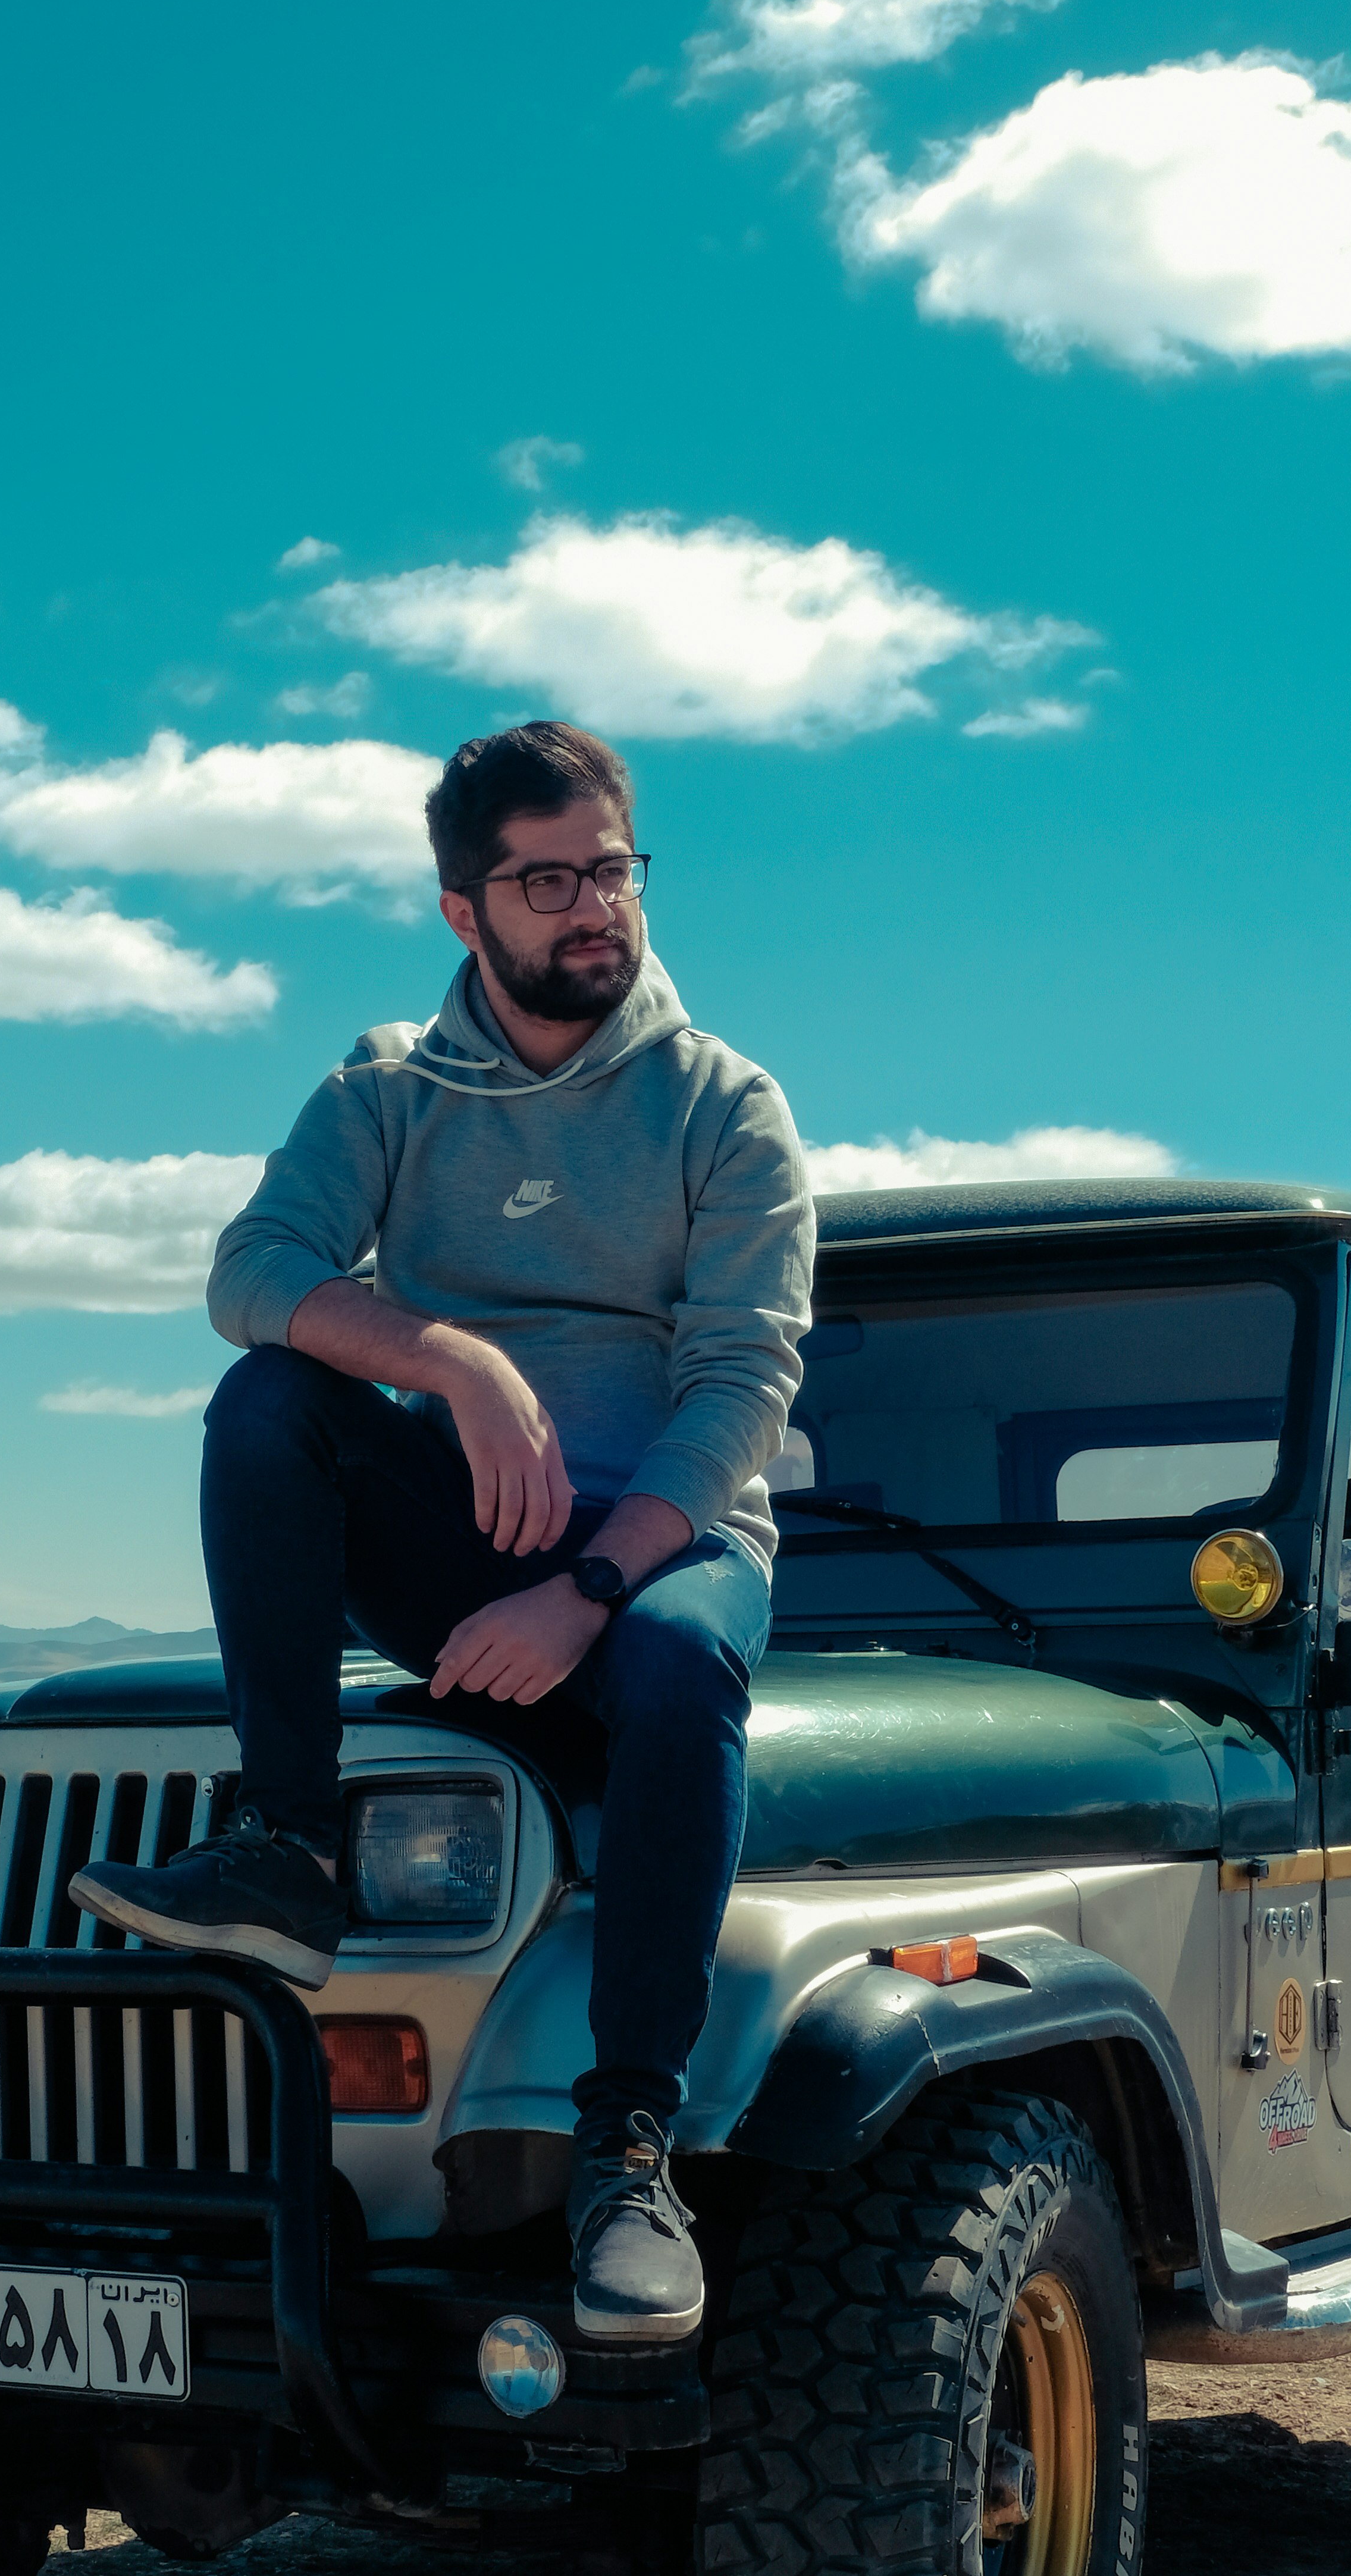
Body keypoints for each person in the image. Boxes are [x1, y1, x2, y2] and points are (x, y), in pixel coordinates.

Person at [71, 719, 814, 2343]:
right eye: (544, 880)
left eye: (609, 869)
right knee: (269, 1401)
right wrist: (448, 1358)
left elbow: (743, 1384)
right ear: (463, 909)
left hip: (664, 1551)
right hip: (468, 1528)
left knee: (686, 1671)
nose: (590, 908)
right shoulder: (389, 1089)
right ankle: (284, 1846)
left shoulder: (725, 1106)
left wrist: (590, 1593)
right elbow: (250, 1272)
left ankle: (629, 2149)